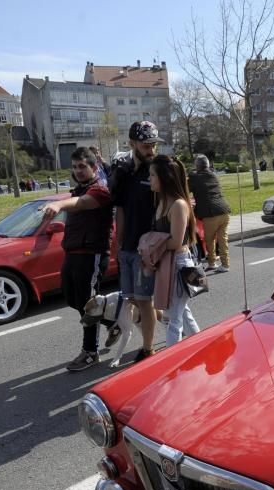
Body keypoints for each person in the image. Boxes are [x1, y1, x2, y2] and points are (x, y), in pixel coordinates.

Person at [40, 147, 112, 372]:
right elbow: (78, 208)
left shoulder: (100, 191)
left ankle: (90, 352)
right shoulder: (78, 190)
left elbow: (81, 204)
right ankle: (113, 321)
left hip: (91, 255)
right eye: (74, 167)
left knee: (88, 304)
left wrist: (58, 205)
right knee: (73, 299)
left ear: (94, 167)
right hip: (72, 253)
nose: (78, 170)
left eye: (82, 166)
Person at [110, 120, 163, 362]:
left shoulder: (158, 171)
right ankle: (166, 318)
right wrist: (119, 243)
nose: (151, 149)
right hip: (127, 247)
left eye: (153, 144)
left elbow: (171, 202)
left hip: (147, 248)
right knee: (132, 297)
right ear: (132, 144)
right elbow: (120, 208)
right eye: (145, 144)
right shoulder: (123, 171)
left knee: (144, 300)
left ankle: (148, 347)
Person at [149, 155, 201, 347]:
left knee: (172, 319)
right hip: (166, 264)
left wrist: (150, 245)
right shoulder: (161, 202)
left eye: (153, 175)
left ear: (165, 177)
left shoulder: (178, 205)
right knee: (182, 313)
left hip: (179, 265)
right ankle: (200, 347)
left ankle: (173, 365)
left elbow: (176, 242)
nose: (150, 179)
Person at [189, 154, 231, 273]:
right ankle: (225, 264)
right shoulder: (213, 175)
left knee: (210, 239)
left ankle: (212, 263)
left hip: (211, 213)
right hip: (224, 210)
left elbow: (185, 188)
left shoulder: (195, 177)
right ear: (207, 165)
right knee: (223, 239)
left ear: (197, 166)